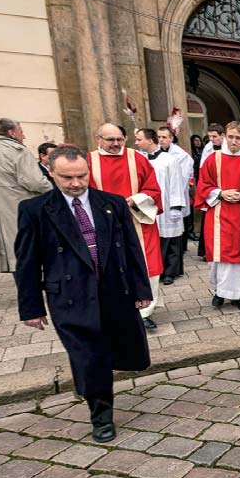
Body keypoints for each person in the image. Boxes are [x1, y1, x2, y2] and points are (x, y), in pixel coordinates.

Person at [14, 145, 152, 443]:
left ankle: (99, 390)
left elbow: (131, 248)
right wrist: (31, 308)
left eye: (81, 176)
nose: (76, 183)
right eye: (67, 177)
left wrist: (142, 289)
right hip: (69, 296)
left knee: (118, 350)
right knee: (88, 357)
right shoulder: (35, 210)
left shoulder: (112, 204)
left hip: (114, 290)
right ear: (50, 172)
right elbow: (26, 262)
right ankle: (101, 415)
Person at [89, 123, 164, 330]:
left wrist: (134, 200)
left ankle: (145, 312)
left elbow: (154, 190)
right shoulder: (89, 161)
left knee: (147, 265)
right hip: (103, 225)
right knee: (111, 267)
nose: (115, 144)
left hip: (138, 220)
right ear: (98, 139)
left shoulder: (137, 159)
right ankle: (117, 311)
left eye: (119, 140)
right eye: (110, 140)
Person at [196, 121, 240, 311]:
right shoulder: (213, 159)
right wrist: (220, 193)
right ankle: (220, 293)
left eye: (238, 138)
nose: (234, 141)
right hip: (218, 214)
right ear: (225, 137)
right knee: (219, 256)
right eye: (231, 137)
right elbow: (203, 185)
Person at [0, 119, 52, 272]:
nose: (23, 136)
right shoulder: (18, 151)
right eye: (21, 132)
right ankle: (31, 291)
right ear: (11, 133)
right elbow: (34, 181)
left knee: (10, 251)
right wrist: (54, 191)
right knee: (25, 247)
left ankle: (22, 287)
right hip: (16, 204)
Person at [136, 129, 186, 286]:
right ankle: (158, 269)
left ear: (150, 141)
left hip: (167, 204)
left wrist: (176, 207)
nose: (136, 142)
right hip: (148, 205)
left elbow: (176, 183)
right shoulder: (140, 159)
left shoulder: (169, 160)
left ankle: (171, 272)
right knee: (156, 239)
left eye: (139, 139)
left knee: (171, 238)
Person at [157, 126, 195, 252]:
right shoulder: (155, 152)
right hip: (160, 194)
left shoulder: (181, 155)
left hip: (174, 193)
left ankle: (179, 250)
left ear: (171, 138)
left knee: (177, 222)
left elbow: (182, 178)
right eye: (159, 137)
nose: (161, 140)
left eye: (164, 137)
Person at [197, 124, 225, 257]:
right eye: (210, 137)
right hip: (212, 189)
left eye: (214, 136)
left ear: (222, 135)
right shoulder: (208, 148)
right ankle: (206, 250)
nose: (212, 139)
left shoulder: (228, 147)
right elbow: (203, 168)